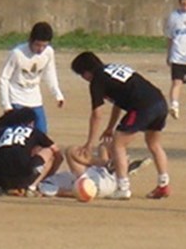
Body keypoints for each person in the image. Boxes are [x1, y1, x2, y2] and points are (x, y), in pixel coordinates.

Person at [70, 51, 170, 200]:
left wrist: (90, 143)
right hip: (159, 101)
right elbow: (118, 103)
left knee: (118, 145)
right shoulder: (111, 69)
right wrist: (110, 128)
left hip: (141, 106)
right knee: (154, 144)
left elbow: (97, 114)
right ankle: (163, 184)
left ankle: (123, 188)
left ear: (86, 73)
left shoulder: (97, 81)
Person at [0, 21, 64, 135]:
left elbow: (50, 73)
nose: (40, 49)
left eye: (44, 46)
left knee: (41, 133)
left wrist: (57, 94)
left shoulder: (49, 53)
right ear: (31, 40)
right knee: (19, 134)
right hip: (17, 98)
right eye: (37, 45)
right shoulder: (17, 53)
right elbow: (4, 78)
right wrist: (6, 105)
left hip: (35, 99)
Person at [38, 142, 151, 199]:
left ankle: (118, 170)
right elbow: (63, 192)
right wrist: (87, 191)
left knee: (104, 146)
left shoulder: (53, 177)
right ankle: (114, 165)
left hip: (100, 177)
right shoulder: (43, 185)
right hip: (89, 184)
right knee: (71, 151)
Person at [0, 107, 62, 196]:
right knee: (49, 152)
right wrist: (51, 172)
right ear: (32, 122)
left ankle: (1, 186)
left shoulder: (4, 131)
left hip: (0, 178)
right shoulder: (34, 132)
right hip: (23, 177)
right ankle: (32, 187)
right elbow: (56, 151)